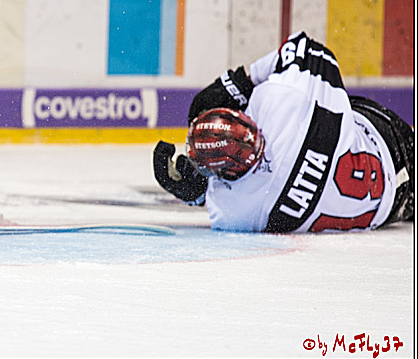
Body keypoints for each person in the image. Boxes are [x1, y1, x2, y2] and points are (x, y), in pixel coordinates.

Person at [153, 31, 414, 233]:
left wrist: (197, 192)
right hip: (389, 142)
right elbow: (304, 46)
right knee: (333, 103)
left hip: (389, 207)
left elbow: (225, 192)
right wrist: (241, 82)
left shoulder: (235, 213)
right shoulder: (286, 99)